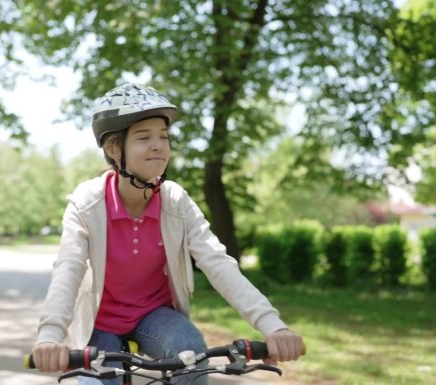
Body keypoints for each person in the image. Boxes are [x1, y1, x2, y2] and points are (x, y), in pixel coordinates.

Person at [31, 83, 305, 384]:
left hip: (154, 315)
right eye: (143, 137)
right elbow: (68, 269)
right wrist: (50, 335)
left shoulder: (176, 202)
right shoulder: (87, 204)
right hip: (99, 324)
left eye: (164, 137)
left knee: (191, 354)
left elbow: (218, 263)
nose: (159, 145)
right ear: (113, 149)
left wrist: (273, 327)